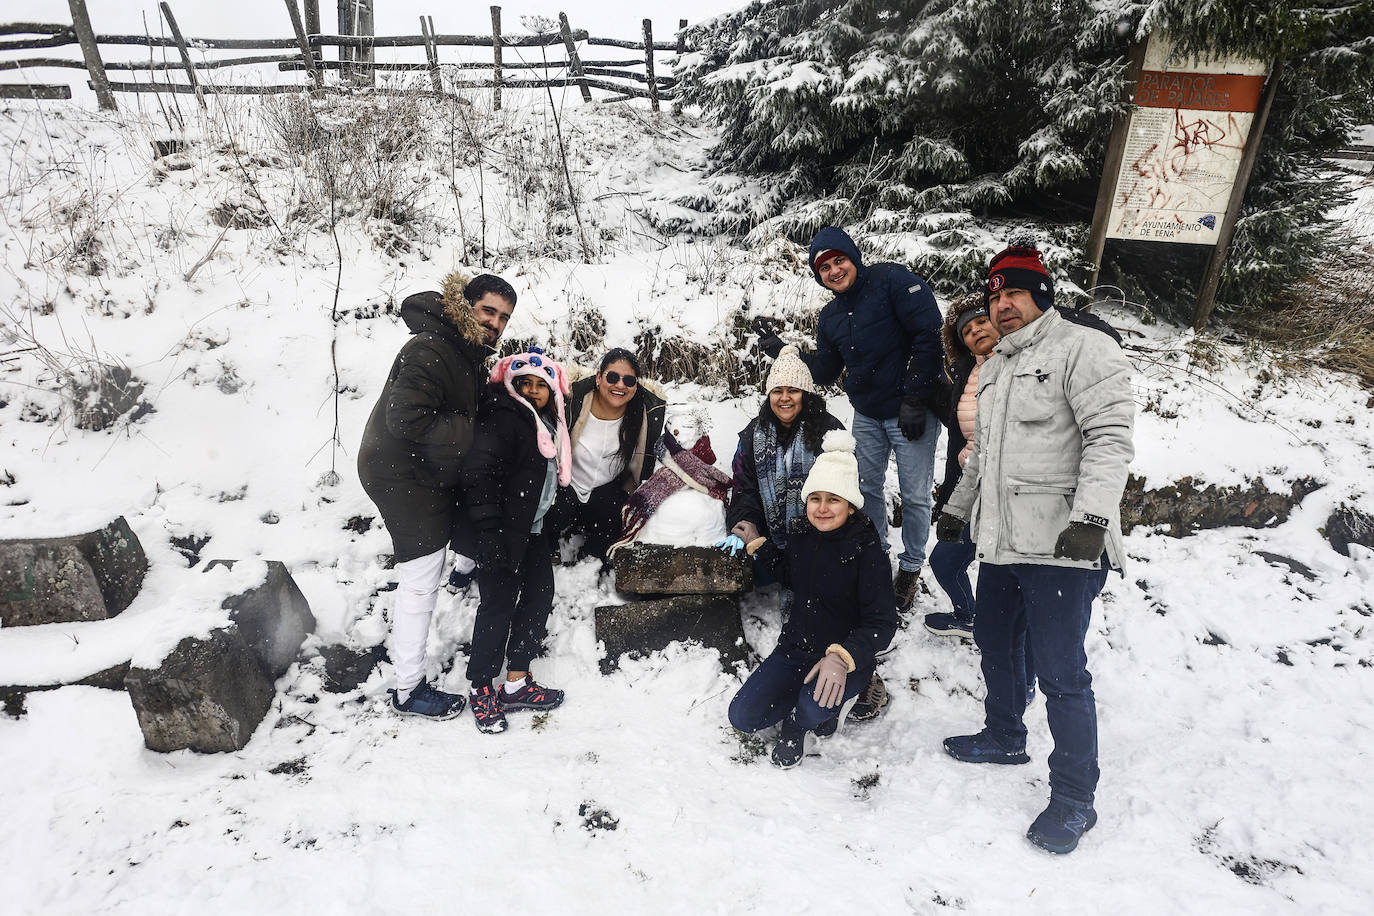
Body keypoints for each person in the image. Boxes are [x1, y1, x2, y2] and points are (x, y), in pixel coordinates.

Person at [935, 245, 1134, 855]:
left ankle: (1075, 798)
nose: (1003, 306)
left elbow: (1110, 440)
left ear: (1041, 293)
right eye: (995, 297)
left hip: (1062, 546)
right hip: (1001, 544)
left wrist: (1093, 518)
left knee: (1061, 674)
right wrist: (957, 509)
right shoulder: (994, 367)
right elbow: (984, 457)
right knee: (995, 643)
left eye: (1013, 294)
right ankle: (1004, 735)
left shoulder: (1082, 347)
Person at [757, 226, 943, 612]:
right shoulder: (830, 317)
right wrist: (785, 353)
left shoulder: (891, 280)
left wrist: (914, 396)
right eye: (824, 267)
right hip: (869, 415)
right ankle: (876, 555)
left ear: (853, 258)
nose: (834, 270)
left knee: (914, 493)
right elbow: (825, 371)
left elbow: (928, 333)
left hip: (912, 409)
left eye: (839, 260)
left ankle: (910, 567)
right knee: (864, 490)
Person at [357, 270, 516, 720]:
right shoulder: (429, 347)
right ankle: (408, 689)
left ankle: (464, 568)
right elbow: (407, 420)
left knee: (476, 515)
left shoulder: (462, 348)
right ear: (465, 305)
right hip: (403, 475)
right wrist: (477, 432)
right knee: (419, 579)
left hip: (427, 468)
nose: (495, 324)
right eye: (488, 311)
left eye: (503, 317)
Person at [718, 346, 889, 722]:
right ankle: (796, 670)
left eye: (792, 390)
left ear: (806, 393)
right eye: (777, 390)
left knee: (838, 600)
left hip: (828, 535)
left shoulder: (829, 433)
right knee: (801, 604)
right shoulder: (753, 435)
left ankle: (852, 670)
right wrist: (745, 525)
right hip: (781, 541)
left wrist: (847, 536)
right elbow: (744, 487)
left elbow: (846, 488)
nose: (784, 398)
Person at [727, 431, 898, 769]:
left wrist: (841, 656)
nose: (822, 508)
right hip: (797, 648)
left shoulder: (867, 551)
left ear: (850, 505)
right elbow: (793, 575)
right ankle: (807, 701)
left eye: (833, 499)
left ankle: (800, 723)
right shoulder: (804, 535)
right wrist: (758, 544)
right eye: (815, 498)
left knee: (812, 711)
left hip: (843, 659)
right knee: (743, 716)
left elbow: (882, 624)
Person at [456, 347, 572, 734]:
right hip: (503, 532)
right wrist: (488, 532)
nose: (534, 390)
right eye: (526, 383)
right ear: (511, 384)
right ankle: (483, 688)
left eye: (542, 385)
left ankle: (517, 682)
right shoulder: (503, 418)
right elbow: (480, 475)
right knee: (498, 607)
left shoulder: (548, 423)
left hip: (533, 531)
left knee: (538, 599)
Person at [545, 348, 666, 561]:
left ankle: (592, 560)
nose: (620, 385)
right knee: (553, 514)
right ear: (599, 377)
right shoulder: (572, 401)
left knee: (613, 523)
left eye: (629, 381)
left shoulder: (644, 414)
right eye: (612, 377)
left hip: (606, 491)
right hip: (566, 486)